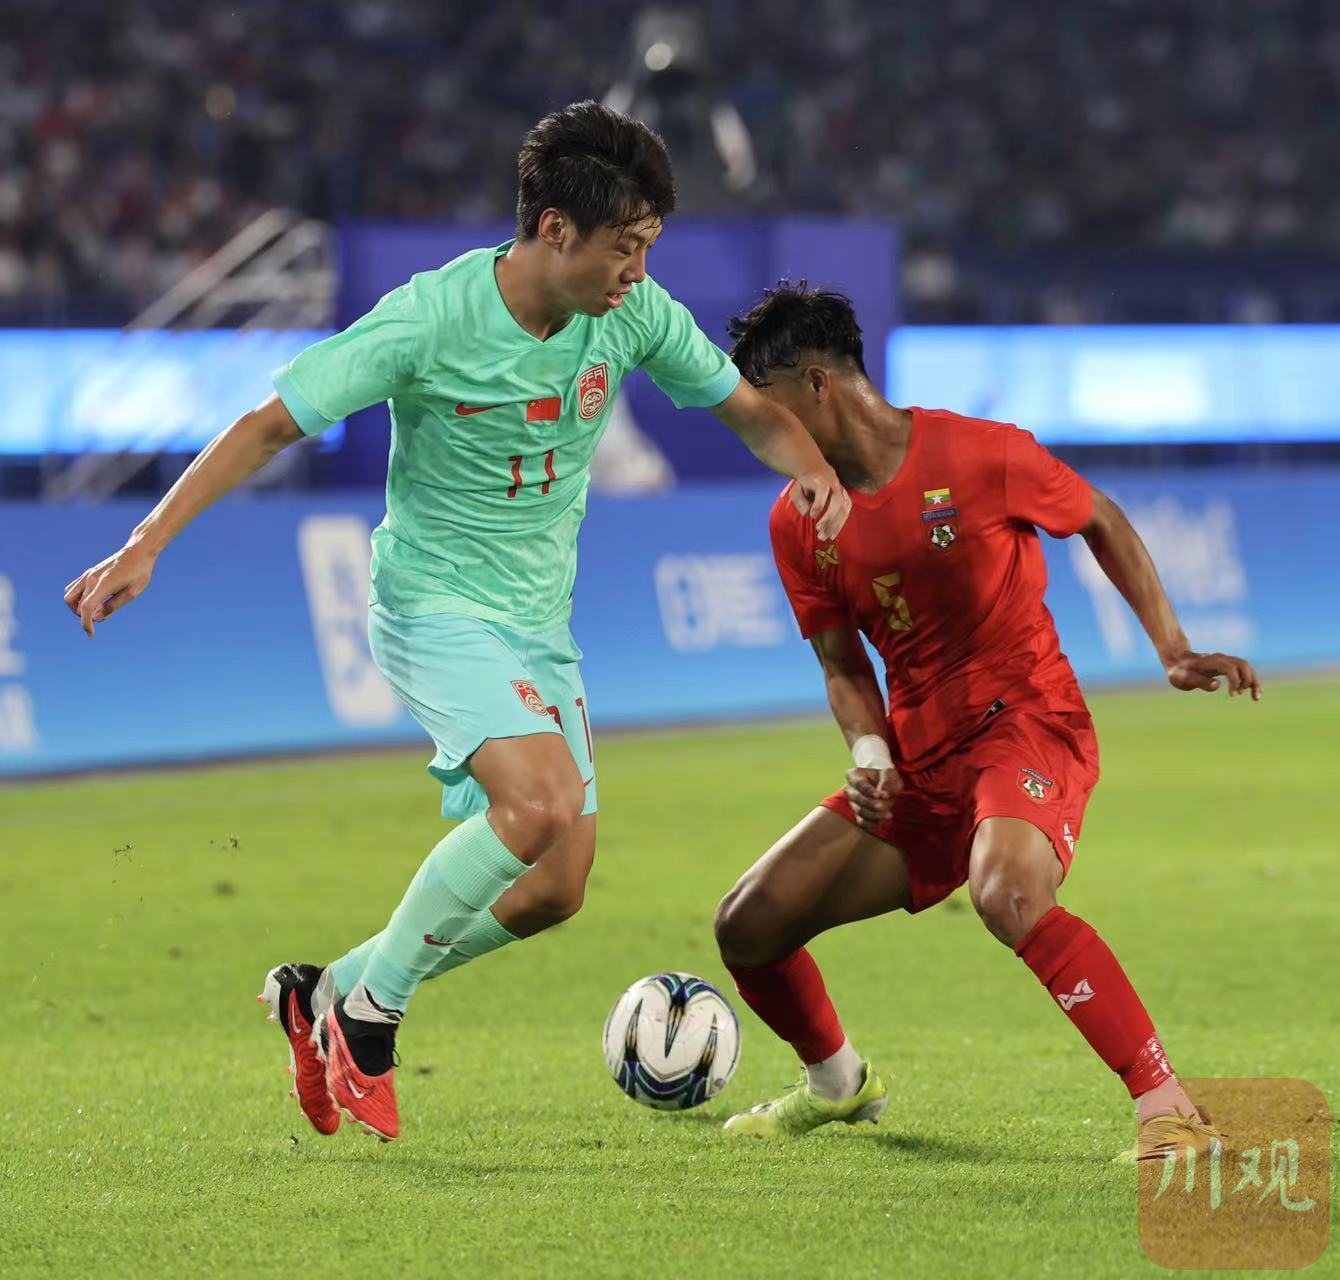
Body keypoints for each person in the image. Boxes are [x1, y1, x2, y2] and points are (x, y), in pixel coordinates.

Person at [62, 106, 851, 1142]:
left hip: (538, 625)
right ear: (555, 228)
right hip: (432, 607)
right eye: (624, 246)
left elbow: (745, 411)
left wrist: (815, 471)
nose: (638, 270)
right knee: (540, 799)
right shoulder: (428, 320)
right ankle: (371, 1018)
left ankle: (325, 989)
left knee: (555, 887)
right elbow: (269, 424)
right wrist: (147, 541)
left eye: (649, 247)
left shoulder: (633, 316)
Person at [712, 282, 1258, 1162]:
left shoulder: (979, 454)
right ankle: (838, 1084)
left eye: (763, 411)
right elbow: (843, 667)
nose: (759, 436)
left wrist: (1173, 647)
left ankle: (1169, 1110)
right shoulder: (798, 522)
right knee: (748, 924)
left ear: (816, 385)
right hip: (920, 765)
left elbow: (1100, 517)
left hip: (1027, 723)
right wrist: (870, 752)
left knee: (1006, 891)